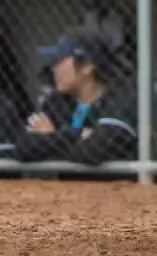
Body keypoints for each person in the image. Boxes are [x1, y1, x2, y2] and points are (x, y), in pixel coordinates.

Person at [11, 34, 137, 165]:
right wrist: (75, 135)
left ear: (87, 67)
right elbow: (23, 147)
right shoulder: (56, 102)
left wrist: (50, 139)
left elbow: (92, 152)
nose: (53, 68)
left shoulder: (119, 99)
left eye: (59, 61)